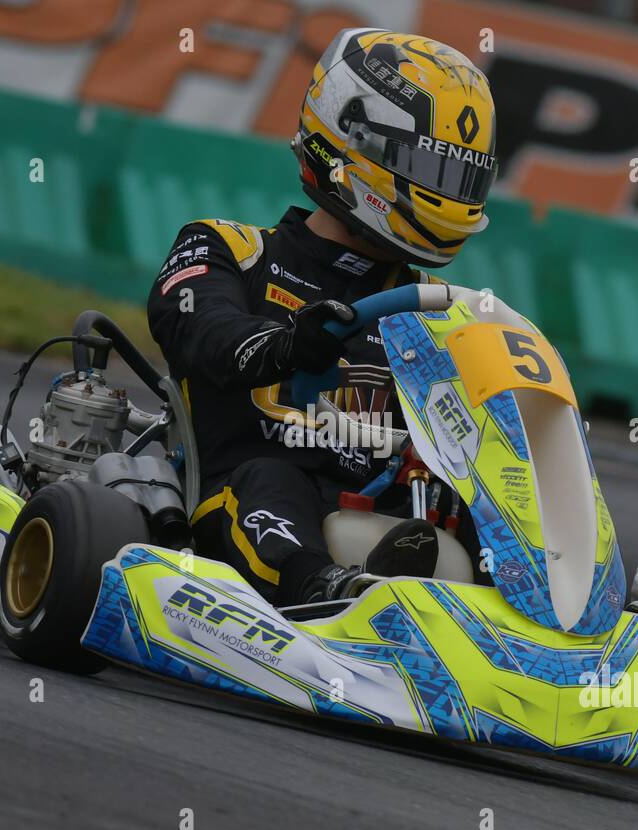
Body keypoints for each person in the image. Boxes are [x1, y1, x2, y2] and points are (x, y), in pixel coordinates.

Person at [147, 27, 498, 606]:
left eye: (460, 177)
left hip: (386, 516)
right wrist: (287, 345)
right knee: (269, 481)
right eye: (429, 168)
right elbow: (202, 332)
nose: (447, 196)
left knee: (487, 507)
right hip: (234, 504)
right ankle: (329, 592)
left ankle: (558, 620)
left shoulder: (443, 314)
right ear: (349, 144)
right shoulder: (229, 249)